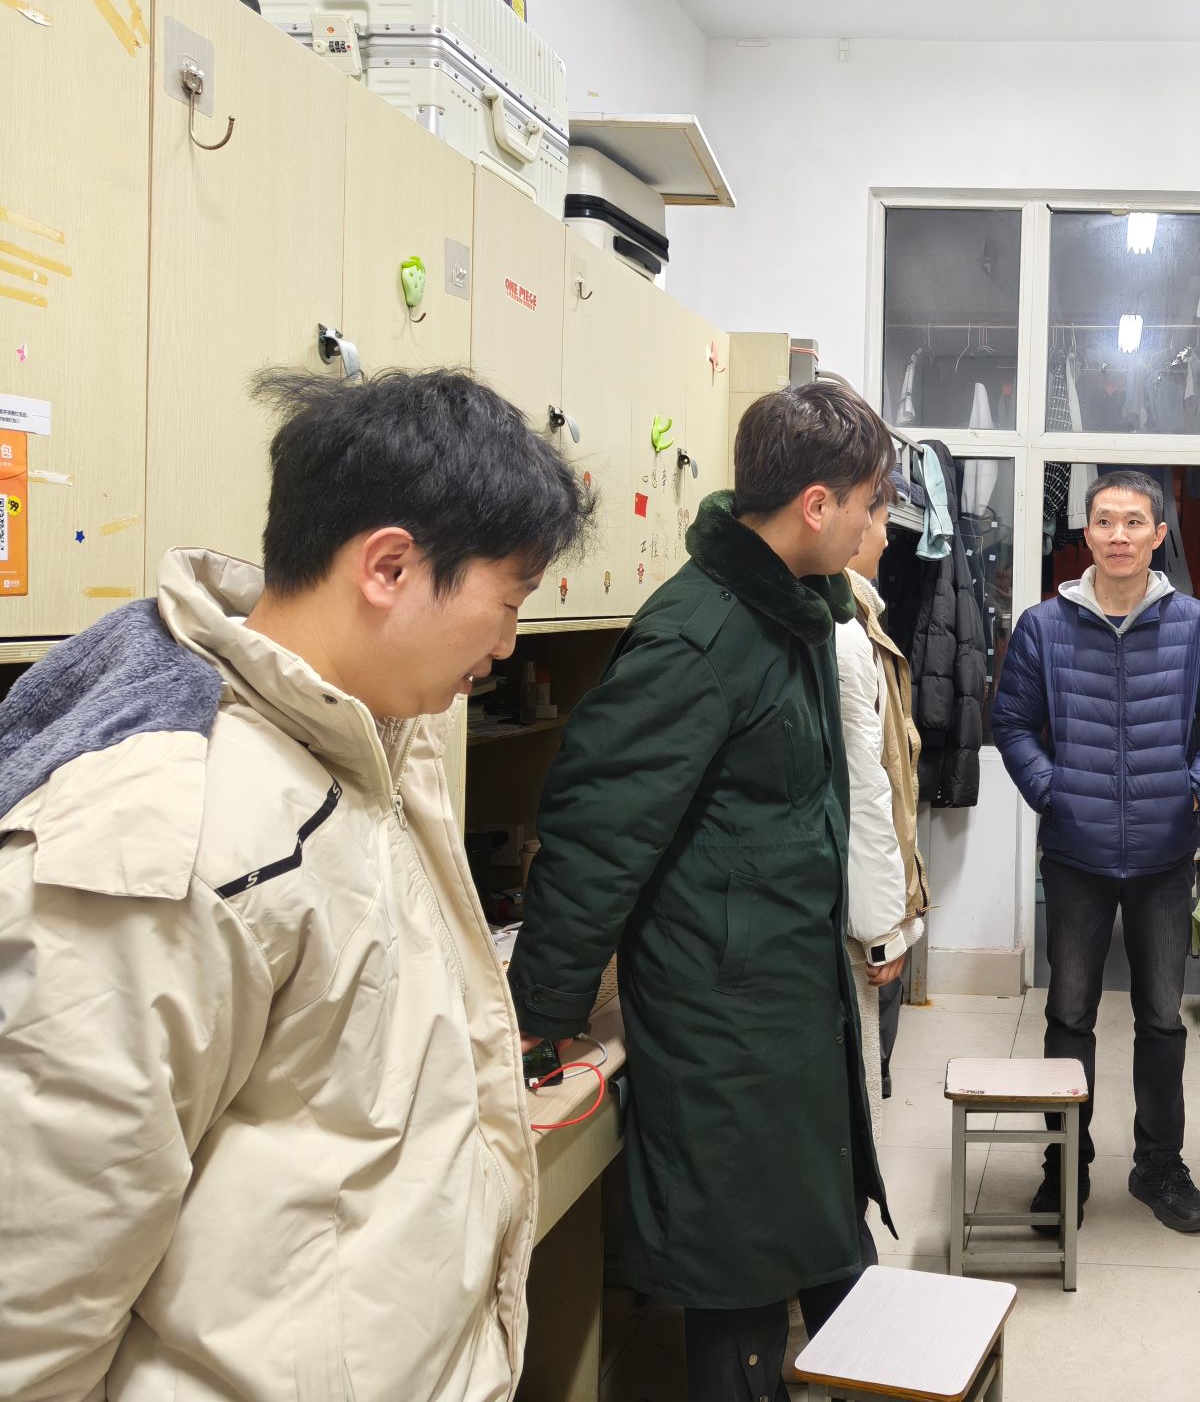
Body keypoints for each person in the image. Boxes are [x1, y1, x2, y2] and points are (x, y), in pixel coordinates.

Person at [0, 369, 590, 1401]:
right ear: (389, 567)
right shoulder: (165, 832)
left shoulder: (365, 739)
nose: (507, 645)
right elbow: (33, 1295)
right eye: (507, 603)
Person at [507, 381, 896, 1402]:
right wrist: (541, 1015)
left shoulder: (791, 614)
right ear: (816, 505)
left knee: (811, 1237)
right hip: (724, 1020)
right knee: (739, 1279)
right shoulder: (698, 636)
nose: (875, 525)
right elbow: (597, 830)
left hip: (784, 997)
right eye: (869, 503)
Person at [992, 469, 1200, 1235]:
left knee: (1162, 1018)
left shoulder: (1195, 626)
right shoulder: (1044, 626)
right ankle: (1063, 1167)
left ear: (1158, 534)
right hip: (1075, 853)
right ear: (1087, 533)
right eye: (1105, 521)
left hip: (1164, 857)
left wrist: (1194, 791)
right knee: (1068, 1014)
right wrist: (1052, 790)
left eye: (1134, 522)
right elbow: (1012, 723)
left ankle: (1159, 1166)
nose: (1118, 535)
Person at [837, 470, 929, 1117]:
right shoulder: (846, 631)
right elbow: (866, 785)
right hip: (855, 911)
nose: (888, 539)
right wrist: (883, 929)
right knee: (858, 1087)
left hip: (858, 899)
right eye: (880, 522)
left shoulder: (861, 616)